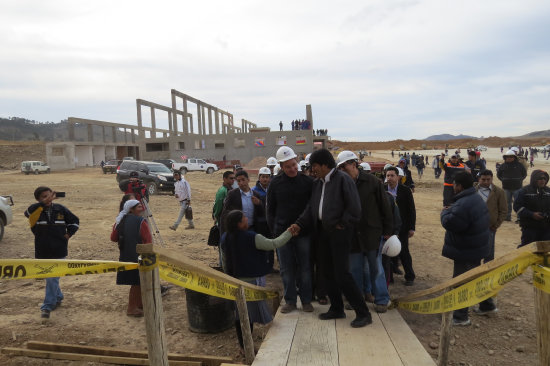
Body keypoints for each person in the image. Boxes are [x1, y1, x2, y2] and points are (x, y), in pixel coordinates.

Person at [294, 149, 372, 328]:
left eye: (314, 166)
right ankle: (337, 308)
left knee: (342, 274)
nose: (312, 170)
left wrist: (342, 224)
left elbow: (354, 208)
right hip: (322, 232)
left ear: (324, 165)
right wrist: (299, 223)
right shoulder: (318, 183)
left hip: (339, 233)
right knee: (327, 272)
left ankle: (363, 313)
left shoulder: (343, 180)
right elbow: (312, 208)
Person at [221, 210, 296, 352]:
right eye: (244, 218)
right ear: (239, 223)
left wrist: (228, 276)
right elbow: (274, 243)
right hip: (252, 282)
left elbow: (224, 260)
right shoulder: (253, 237)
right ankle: (247, 347)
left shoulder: (225, 237)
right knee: (249, 315)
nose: (247, 220)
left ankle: (243, 346)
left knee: (240, 314)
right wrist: (289, 232)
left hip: (234, 281)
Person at [336, 151, 393, 313]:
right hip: (352, 235)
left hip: (371, 235)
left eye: (343, 167)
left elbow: (385, 207)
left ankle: (382, 299)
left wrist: (388, 230)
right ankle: (356, 299)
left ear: (354, 165)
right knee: (354, 270)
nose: (341, 170)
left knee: (376, 269)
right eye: (339, 168)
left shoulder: (373, 182)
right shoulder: (342, 184)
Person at [441, 172, 496, 325]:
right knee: (475, 278)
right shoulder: (474, 198)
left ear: (459, 186)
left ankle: (460, 317)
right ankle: (487, 305)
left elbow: (451, 223)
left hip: (465, 250)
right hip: (475, 247)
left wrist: (445, 212)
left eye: (454, 184)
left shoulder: (464, 203)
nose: (453, 186)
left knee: (462, 283)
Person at [267, 146, 314, 313]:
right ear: (281, 166)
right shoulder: (275, 184)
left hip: (303, 233)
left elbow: (312, 207)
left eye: (294, 164)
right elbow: (270, 210)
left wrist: (302, 225)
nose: (293, 169)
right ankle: (290, 301)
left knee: (305, 267)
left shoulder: (308, 182)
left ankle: (307, 300)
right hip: (283, 234)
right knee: (286, 268)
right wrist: (276, 233)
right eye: (288, 166)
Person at [25, 187, 80, 319]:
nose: (48, 198)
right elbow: (27, 213)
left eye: (49, 196)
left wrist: (68, 234)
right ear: (38, 199)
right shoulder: (35, 212)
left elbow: (75, 221)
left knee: (52, 277)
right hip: (42, 251)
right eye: (44, 196)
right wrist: (43, 203)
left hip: (59, 250)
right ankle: (58, 296)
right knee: (51, 277)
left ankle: (47, 306)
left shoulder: (60, 209)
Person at [110, 199, 152, 317]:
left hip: (125, 255)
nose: (141, 208)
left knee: (137, 282)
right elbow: (148, 241)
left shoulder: (120, 221)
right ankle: (132, 308)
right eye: (138, 207)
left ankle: (138, 304)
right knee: (136, 282)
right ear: (131, 209)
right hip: (139, 256)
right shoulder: (141, 221)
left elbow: (113, 238)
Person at [384, 167, 416, 286]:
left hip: (402, 227)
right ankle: (389, 276)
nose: (389, 178)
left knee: (404, 252)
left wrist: (412, 227)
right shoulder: (382, 189)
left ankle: (410, 276)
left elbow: (411, 210)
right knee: (387, 252)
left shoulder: (405, 190)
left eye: (392, 175)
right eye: (387, 175)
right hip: (387, 227)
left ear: (398, 177)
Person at [476, 170, 507, 262]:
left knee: (488, 252)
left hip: (490, 227)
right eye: (483, 179)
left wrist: (496, 225)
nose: (486, 182)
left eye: (488, 179)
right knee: (474, 251)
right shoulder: (472, 190)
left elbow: (503, 210)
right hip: (474, 226)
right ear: (479, 179)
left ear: (492, 179)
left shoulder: (499, 192)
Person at [514, 170, 550, 247]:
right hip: (529, 227)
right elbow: (517, 207)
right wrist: (531, 214)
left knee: (545, 249)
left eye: (544, 178)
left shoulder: (548, 191)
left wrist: (546, 215)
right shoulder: (524, 191)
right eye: (540, 178)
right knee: (527, 249)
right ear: (534, 179)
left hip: (546, 227)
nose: (543, 180)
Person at [497, 150, 527, 221]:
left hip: (517, 188)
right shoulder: (502, 166)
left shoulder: (519, 165)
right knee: (507, 203)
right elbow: (498, 175)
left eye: (511, 157)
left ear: (514, 157)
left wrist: (519, 180)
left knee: (518, 203)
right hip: (506, 188)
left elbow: (524, 174)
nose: (509, 158)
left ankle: (519, 218)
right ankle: (507, 217)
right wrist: (503, 180)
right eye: (507, 157)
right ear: (505, 158)